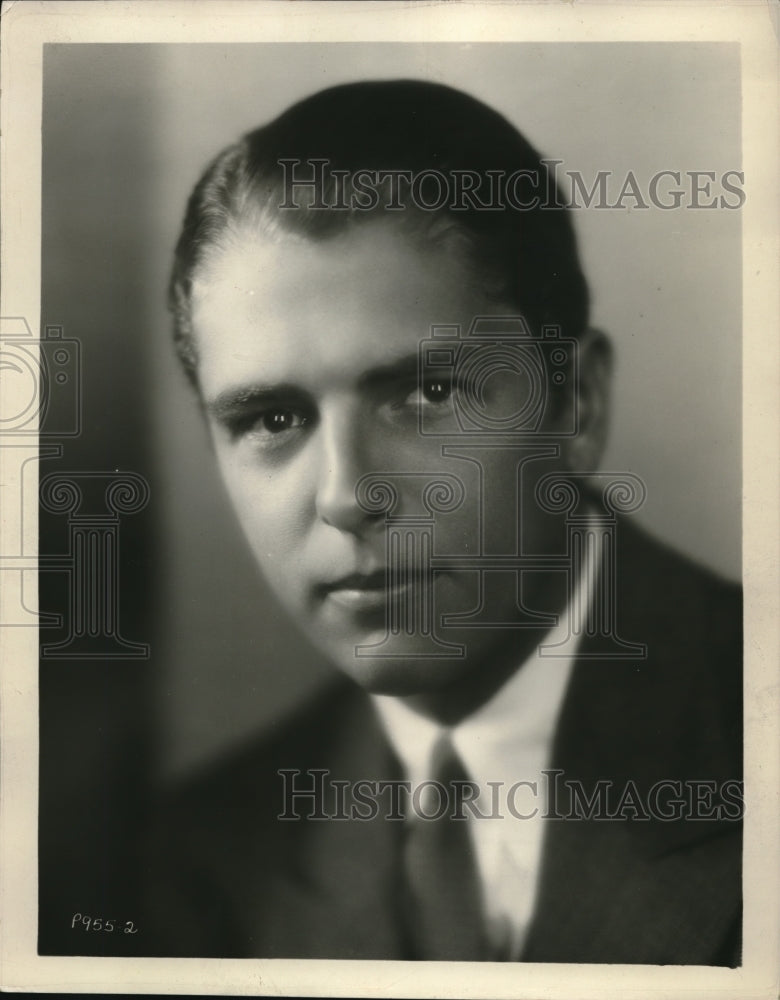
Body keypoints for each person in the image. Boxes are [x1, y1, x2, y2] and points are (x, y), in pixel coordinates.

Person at [143, 80, 742, 964]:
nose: (347, 496)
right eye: (272, 419)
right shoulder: (205, 856)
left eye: (427, 392)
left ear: (575, 402)